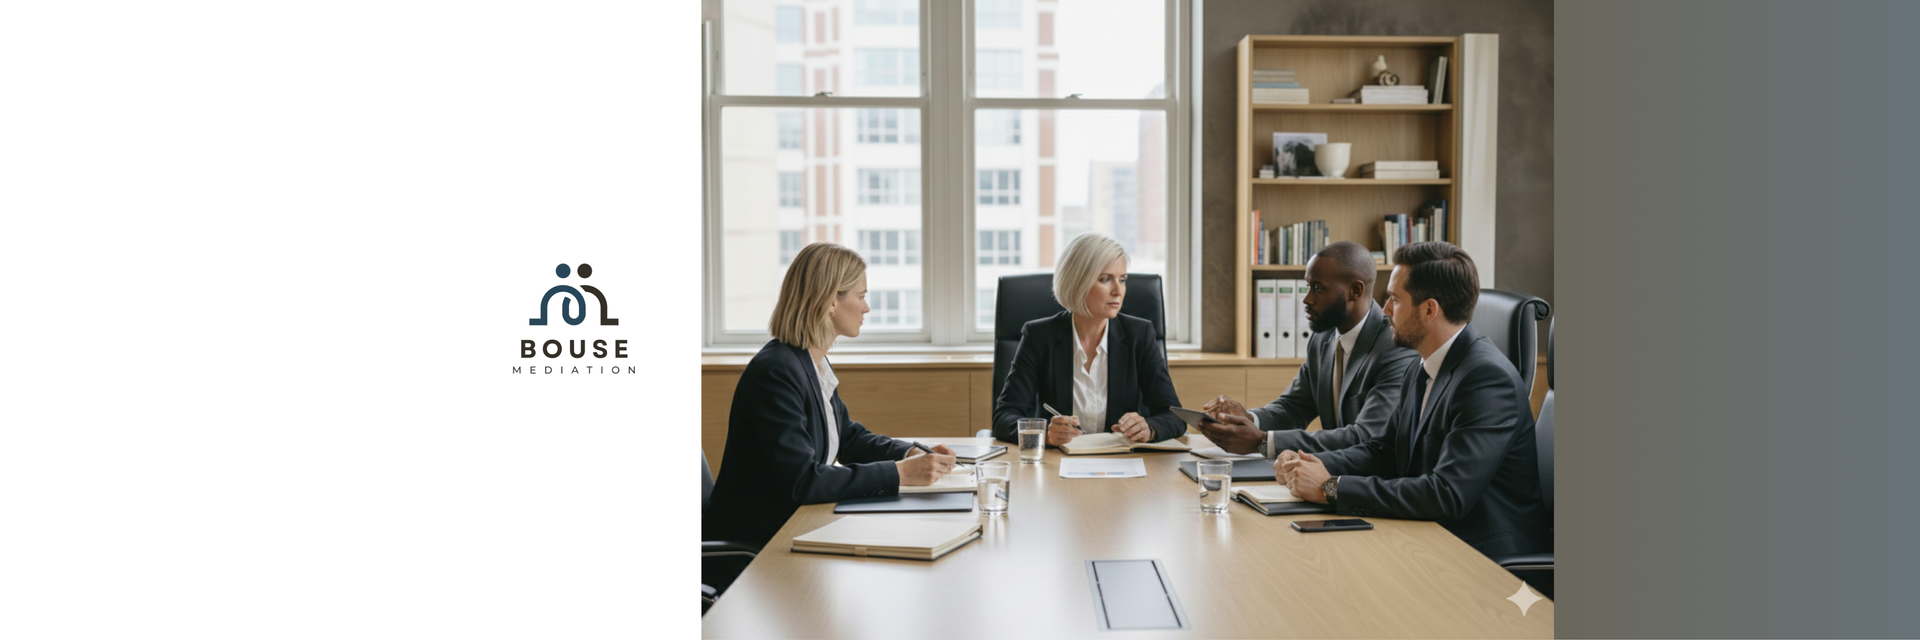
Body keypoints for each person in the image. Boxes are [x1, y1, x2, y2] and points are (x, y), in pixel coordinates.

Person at [1276, 241, 1549, 559]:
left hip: (1483, 555)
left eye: (1394, 299)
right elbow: (1384, 451)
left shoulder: (1486, 379)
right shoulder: (1424, 363)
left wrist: (1331, 487)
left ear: (1429, 309)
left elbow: (1447, 494)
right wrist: (1308, 465)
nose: (1385, 309)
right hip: (1430, 536)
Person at [703, 243, 957, 548]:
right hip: (757, 547)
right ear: (830, 302)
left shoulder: (810, 361)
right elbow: (803, 480)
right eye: (861, 296)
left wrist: (909, 454)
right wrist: (898, 474)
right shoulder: (776, 372)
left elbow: (848, 438)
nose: (867, 308)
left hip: (796, 526)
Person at [1196, 241, 1419, 457]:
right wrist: (1248, 419)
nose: (1307, 299)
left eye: (1318, 288)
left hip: (1370, 481)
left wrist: (1262, 442)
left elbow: (1365, 436)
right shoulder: (1322, 337)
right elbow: (1294, 407)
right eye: (1308, 286)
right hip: (1331, 471)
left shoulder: (1395, 347)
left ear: (1355, 291)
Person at [992, 233, 1184, 446]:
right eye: (1105, 279)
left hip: (1121, 464)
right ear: (1078, 282)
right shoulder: (1039, 336)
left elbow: (1174, 415)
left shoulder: (1139, 334)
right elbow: (1004, 418)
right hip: (1058, 465)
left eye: (1122, 280)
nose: (1118, 291)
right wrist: (1045, 433)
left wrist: (1149, 429)